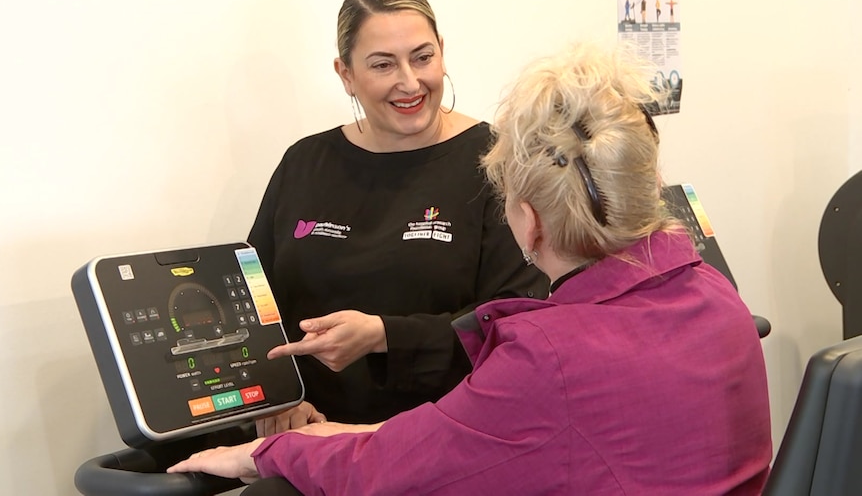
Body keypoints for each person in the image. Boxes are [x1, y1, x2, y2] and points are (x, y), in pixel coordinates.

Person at [169, 42, 773, 495]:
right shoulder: (715, 299)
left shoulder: (550, 355)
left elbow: (386, 470)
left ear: (529, 220)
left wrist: (266, 454)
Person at [245, 0, 548, 431]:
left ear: (442, 51)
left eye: (423, 58)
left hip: (444, 435)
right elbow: (253, 302)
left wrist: (385, 336)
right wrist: (277, 401)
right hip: (308, 432)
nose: (410, 82)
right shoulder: (304, 163)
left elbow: (514, 325)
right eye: (383, 65)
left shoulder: (498, 162)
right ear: (345, 74)